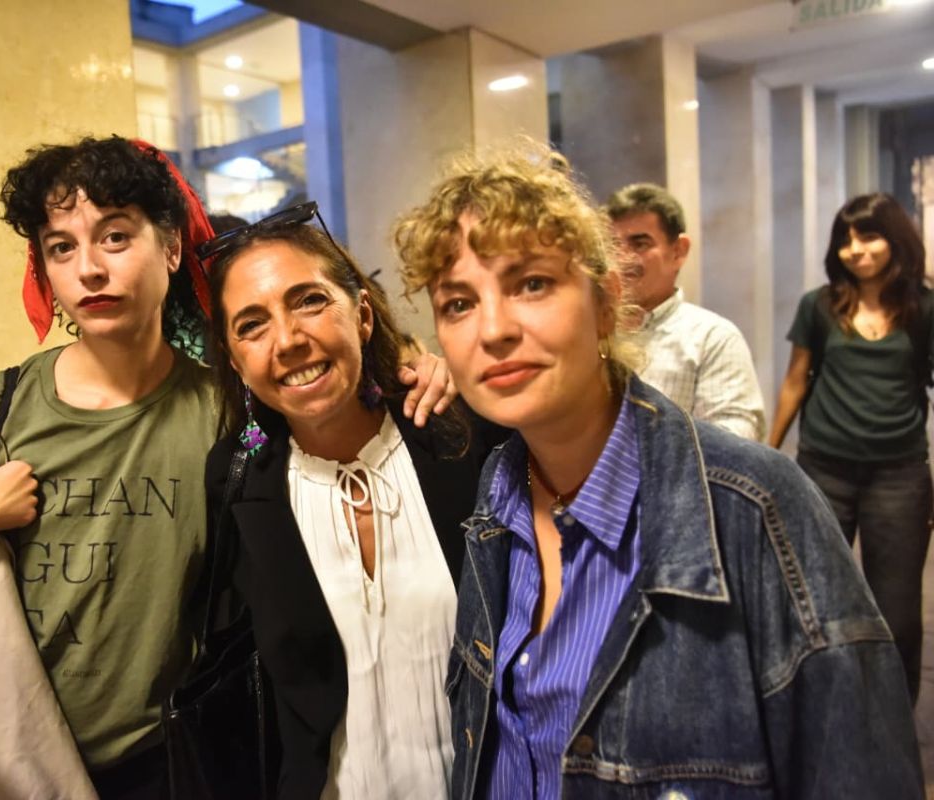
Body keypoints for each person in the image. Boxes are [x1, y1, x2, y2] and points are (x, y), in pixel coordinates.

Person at [0, 140, 453, 797]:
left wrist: (415, 372)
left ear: (171, 249)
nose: (89, 270)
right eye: (61, 248)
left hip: (166, 759)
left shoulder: (229, 420)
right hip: (5, 756)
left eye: (114, 237)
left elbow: (322, 398)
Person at [393, 146, 921, 799]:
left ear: (607, 301)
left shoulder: (756, 506)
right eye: (458, 303)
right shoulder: (493, 504)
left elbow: (859, 772)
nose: (494, 329)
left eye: (532, 283)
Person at [201, 204, 492, 800]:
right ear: (235, 362)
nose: (288, 340)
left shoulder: (462, 438)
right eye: (251, 325)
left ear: (361, 313)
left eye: (309, 301)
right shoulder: (239, 481)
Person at [769, 192, 933, 702]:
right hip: (824, 470)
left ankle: (892, 720)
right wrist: (771, 456)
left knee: (898, 613)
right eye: (846, 240)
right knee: (815, 599)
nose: (856, 250)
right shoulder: (819, 305)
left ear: (896, 240)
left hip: (899, 476)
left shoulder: (925, 307)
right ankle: (824, 711)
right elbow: (796, 382)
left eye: (868, 236)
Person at [605, 183, 766, 440]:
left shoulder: (712, 338)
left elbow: (737, 440)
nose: (622, 258)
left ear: (678, 251)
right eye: (613, 245)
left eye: (640, 243)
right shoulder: (590, 332)